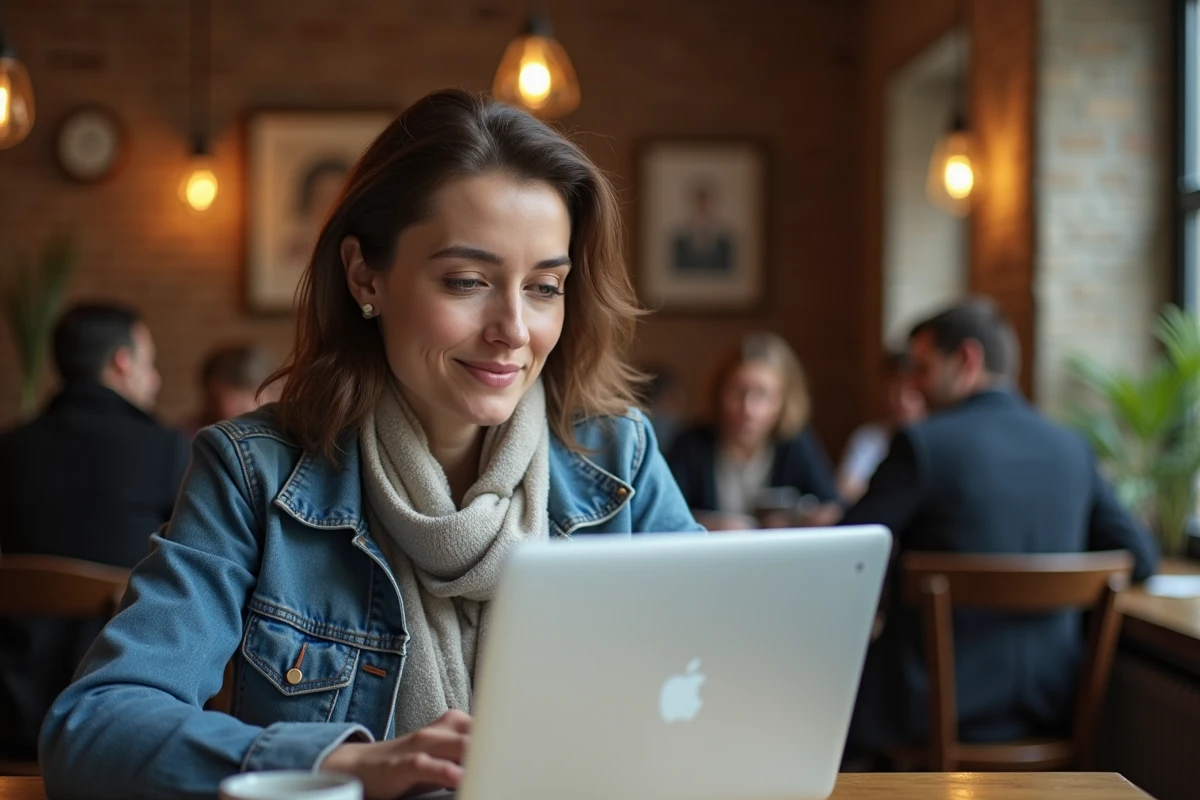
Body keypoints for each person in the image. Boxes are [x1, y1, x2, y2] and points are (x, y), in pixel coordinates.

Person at [40, 89, 702, 800]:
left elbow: (734, 681)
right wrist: (339, 764)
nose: (514, 328)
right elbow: (95, 727)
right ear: (365, 276)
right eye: (468, 281)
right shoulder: (254, 473)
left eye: (545, 287)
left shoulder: (619, 458)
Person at [840, 298, 1160, 759]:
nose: (912, 384)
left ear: (968, 360)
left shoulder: (923, 445)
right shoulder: (1072, 449)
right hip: (1054, 704)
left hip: (928, 708)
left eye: (923, 368)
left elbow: (848, 556)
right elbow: (1142, 558)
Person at [0, 303, 190, 760]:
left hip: (8, 713)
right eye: (150, 362)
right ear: (122, 363)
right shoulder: (167, 452)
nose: (156, 379)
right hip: (122, 714)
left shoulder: (8, 450)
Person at [667, 331, 840, 531]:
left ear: (783, 401)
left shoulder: (795, 442)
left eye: (762, 395)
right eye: (738, 392)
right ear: (719, 392)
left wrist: (797, 520)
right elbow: (666, 516)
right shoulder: (691, 444)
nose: (748, 409)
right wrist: (712, 525)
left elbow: (831, 507)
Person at [837, 351, 925, 504]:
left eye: (910, 392)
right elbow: (845, 489)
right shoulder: (868, 437)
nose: (902, 400)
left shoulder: (938, 441)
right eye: (895, 391)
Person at [185, 343, 277, 435]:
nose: (248, 404)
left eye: (256, 391)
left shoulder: (274, 438)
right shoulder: (183, 439)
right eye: (239, 390)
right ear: (212, 390)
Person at [671, 180, 734, 272]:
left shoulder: (725, 241)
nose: (702, 206)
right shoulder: (680, 240)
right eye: (699, 201)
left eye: (706, 201)